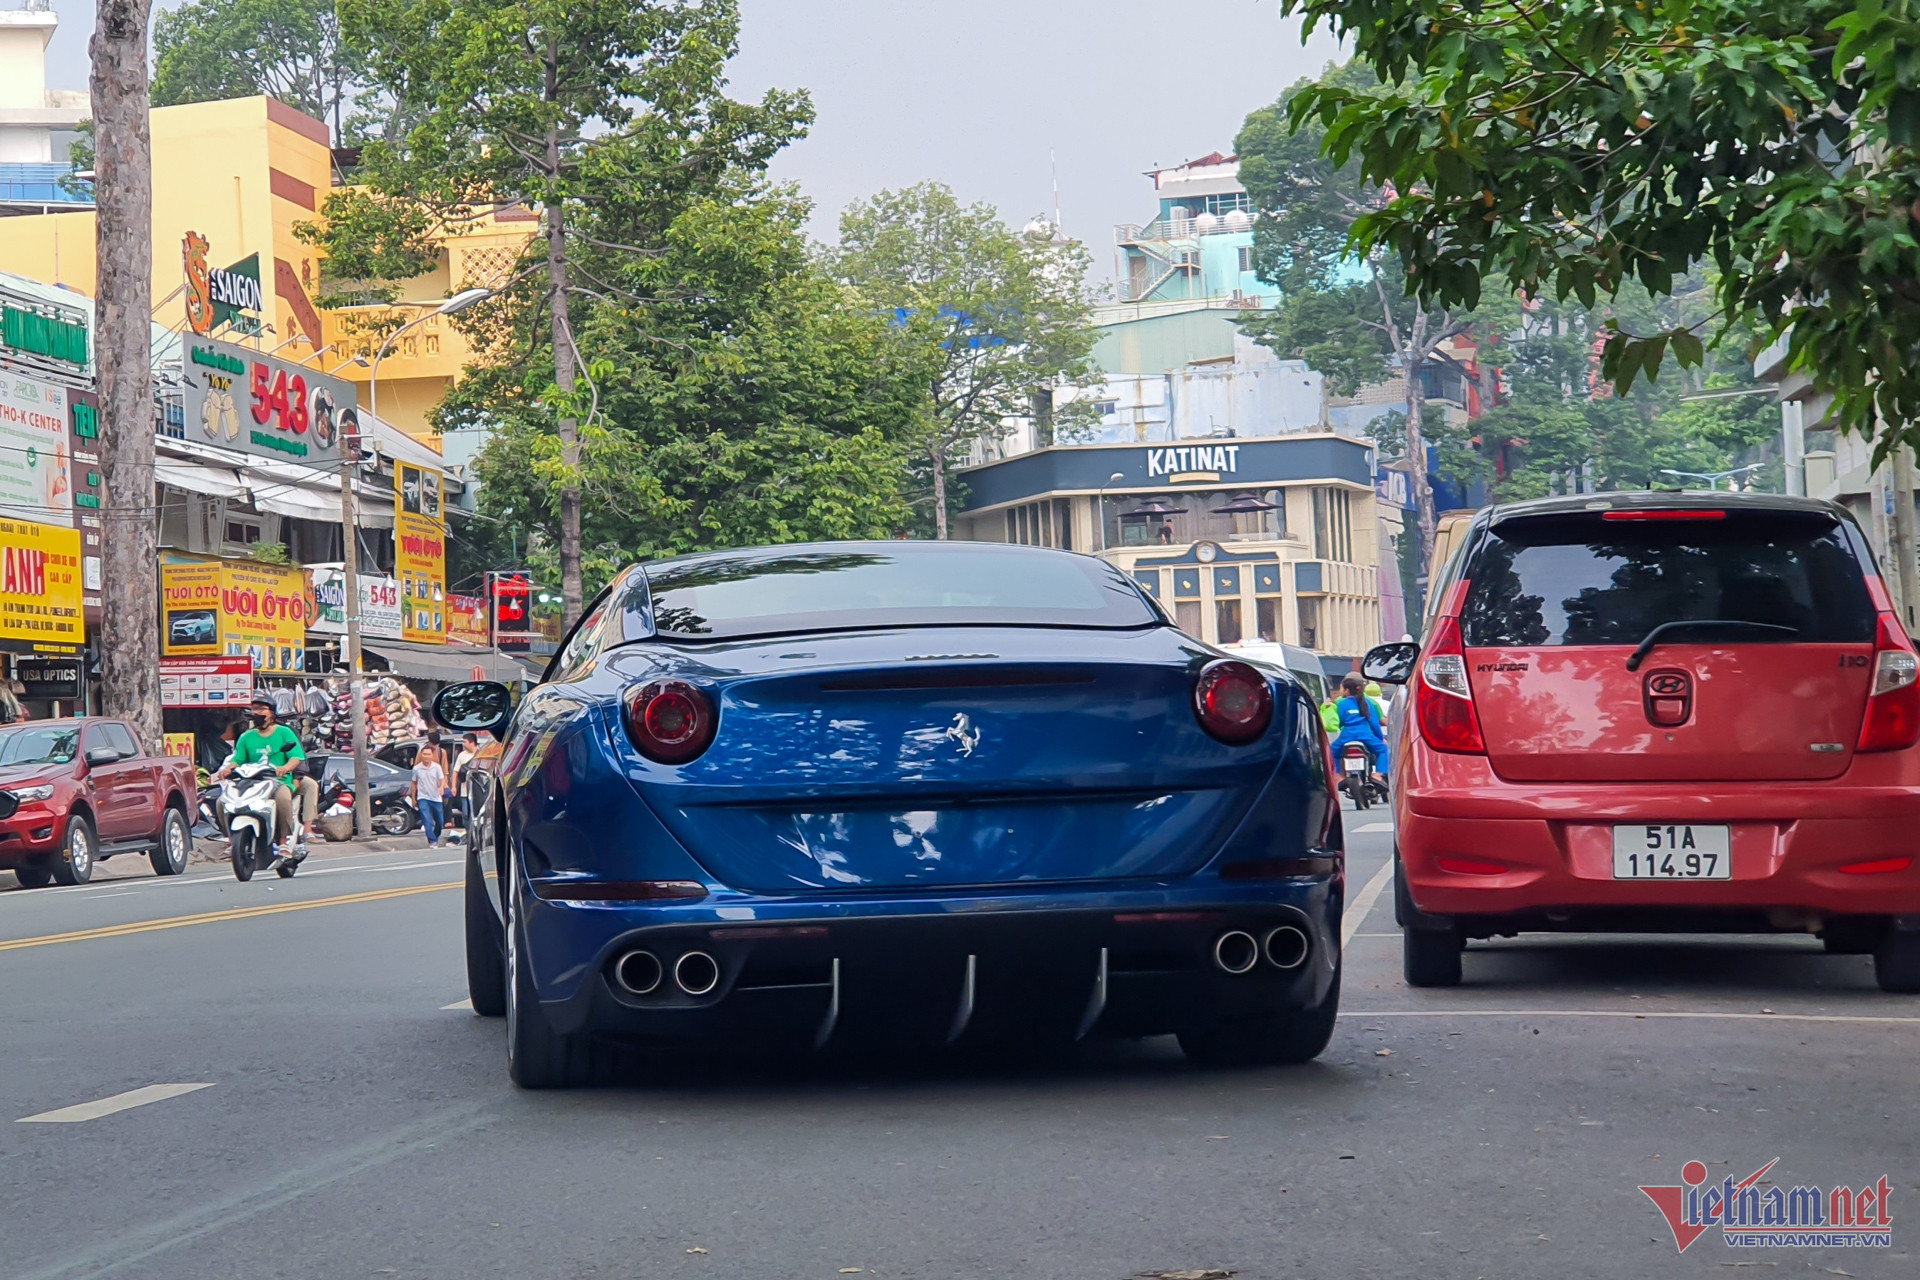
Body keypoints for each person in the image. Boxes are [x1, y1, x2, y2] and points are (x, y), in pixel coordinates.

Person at [215, 696, 319, 862]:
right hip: (251, 781)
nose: (256, 712)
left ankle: (283, 841)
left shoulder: (284, 733)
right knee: (222, 802)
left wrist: (285, 768)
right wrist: (229, 768)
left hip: (278, 780)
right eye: (254, 709)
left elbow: (296, 757)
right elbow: (238, 759)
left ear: (271, 713)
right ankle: (231, 841)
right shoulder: (246, 737)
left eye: (261, 709)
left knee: (283, 799)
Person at [1329, 672, 1390, 790]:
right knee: (1383, 750)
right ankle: (1378, 775)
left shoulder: (1340, 703)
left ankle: (1338, 776)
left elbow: (1338, 721)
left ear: (1346, 690)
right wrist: (1381, 738)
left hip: (1346, 735)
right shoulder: (1368, 702)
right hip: (1366, 735)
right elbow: (1374, 723)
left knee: (1332, 751)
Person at [411, 746, 447, 847]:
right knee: (427, 820)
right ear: (421, 755)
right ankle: (432, 840)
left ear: (432, 755)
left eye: (428, 754)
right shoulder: (416, 769)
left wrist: (441, 787)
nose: (426, 756)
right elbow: (414, 783)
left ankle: (435, 836)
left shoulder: (437, 767)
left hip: (436, 797)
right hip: (423, 797)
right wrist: (414, 798)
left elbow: (442, 779)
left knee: (440, 821)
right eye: (425, 754)